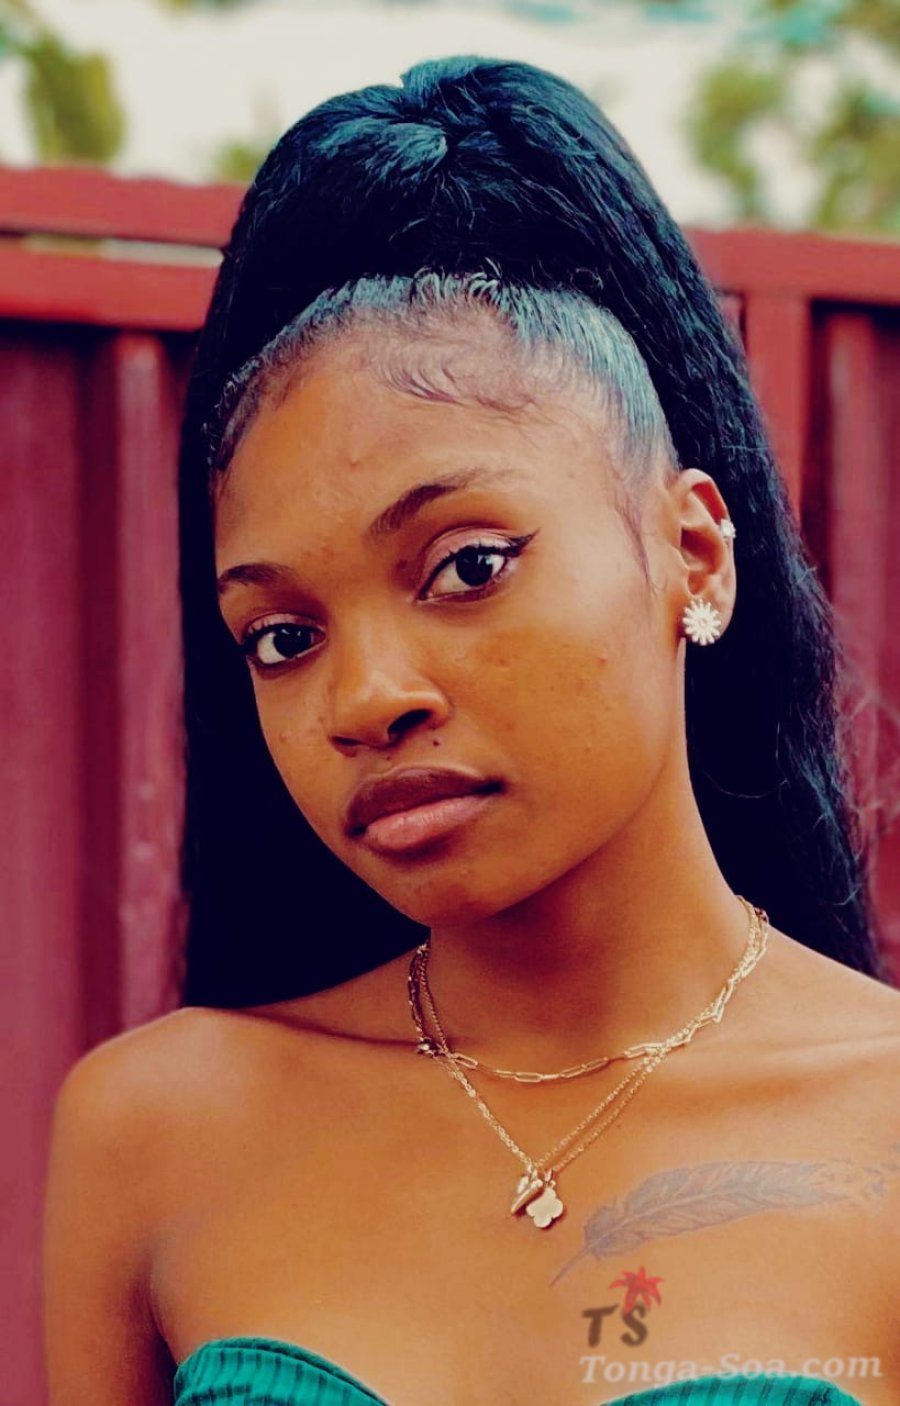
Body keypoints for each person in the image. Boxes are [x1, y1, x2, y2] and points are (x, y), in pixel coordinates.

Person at [42, 55, 900, 1406]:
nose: (364, 698)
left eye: (467, 566)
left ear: (693, 554)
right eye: (284, 636)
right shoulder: (154, 1133)